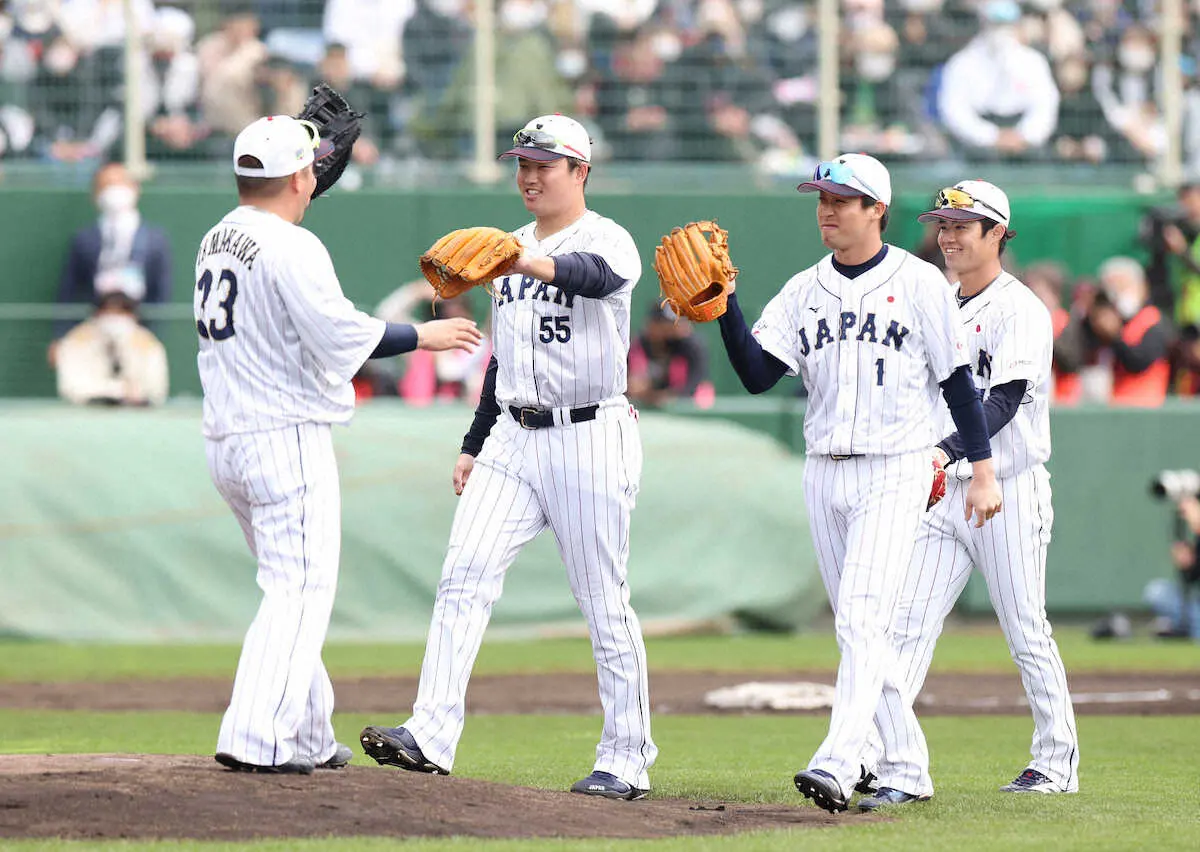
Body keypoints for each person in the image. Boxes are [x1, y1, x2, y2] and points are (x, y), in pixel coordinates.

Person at [359, 113, 656, 800]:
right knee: (463, 573)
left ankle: (627, 757)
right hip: (514, 438)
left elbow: (592, 276)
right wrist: (474, 441)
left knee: (603, 603)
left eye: (543, 164)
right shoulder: (510, 246)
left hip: (590, 432)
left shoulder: (605, 238)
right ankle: (429, 734)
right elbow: (504, 357)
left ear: (580, 171)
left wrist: (522, 260)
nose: (527, 174)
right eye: (521, 162)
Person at [714, 153, 1003, 813]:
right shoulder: (802, 288)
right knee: (860, 627)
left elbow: (959, 383)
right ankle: (906, 766)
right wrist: (727, 307)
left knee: (862, 618)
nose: (827, 211)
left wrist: (981, 469)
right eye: (821, 199)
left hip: (897, 467)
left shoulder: (921, 282)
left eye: (842, 201)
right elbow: (759, 375)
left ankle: (840, 762)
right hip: (825, 471)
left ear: (877, 209)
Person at [198, 114, 482, 774]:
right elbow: (338, 337)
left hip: (228, 439)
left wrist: (292, 161)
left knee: (288, 586)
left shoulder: (217, 235)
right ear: (300, 176)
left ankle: (305, 734)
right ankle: (255, 736)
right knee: (298, 590)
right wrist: (423, 336)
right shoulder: (293, 246)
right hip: (282, 435)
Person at [866, 181, 1079, 807]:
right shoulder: (935, 300)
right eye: (944, 223)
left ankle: (1055, 761)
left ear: (998, 235)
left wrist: (948, 451)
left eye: (965, 224)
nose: (950, 236)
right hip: (942, 491)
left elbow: (1003, 403)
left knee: (1023, 627)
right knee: (905, 627)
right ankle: (886, 759)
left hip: (1006, 487)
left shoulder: (1022, 309)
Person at [50, 162, 172, 363]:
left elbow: (161, 293)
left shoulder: (155, 240)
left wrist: (152, 337)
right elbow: (68, 292)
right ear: (95, 194)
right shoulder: (83, 240)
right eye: (106, 185)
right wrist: (60, 336)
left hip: (138, 333)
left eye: (119, 183)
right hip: (93, 330)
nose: (114, 191)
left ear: (135, 188)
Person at [55, 288, 168, 406]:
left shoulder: (148, 344)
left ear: (133, 316)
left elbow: (156, 390)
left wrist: (134, 394)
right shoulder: (75, 342)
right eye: (108, 312)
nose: (114, 319)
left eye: (121, 312)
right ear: (97, 314)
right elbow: (70, 388)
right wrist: (115, 391)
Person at [627, 303, 712, 408]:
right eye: (667, 324)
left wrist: (668, 395)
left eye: (676, 323)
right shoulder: (640, 343)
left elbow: (694, 387)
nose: (673, 329)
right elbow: (634, 386)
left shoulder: (689, 346)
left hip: (686, 408)